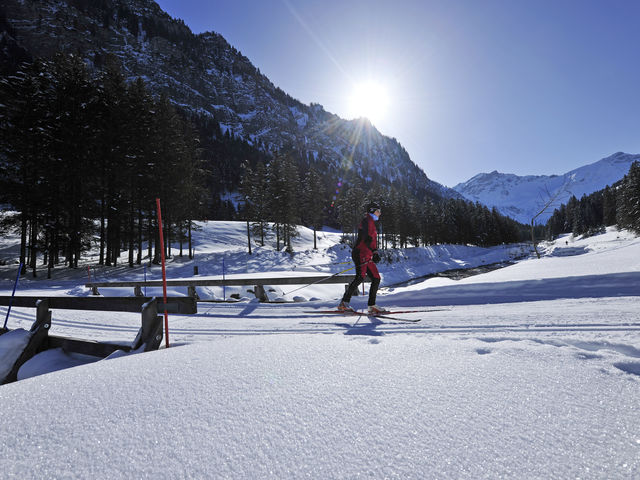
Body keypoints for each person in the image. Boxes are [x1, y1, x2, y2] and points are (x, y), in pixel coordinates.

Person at [338, 202, 388, 314]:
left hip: (367, 254)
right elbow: (366, 237)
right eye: (378, 211)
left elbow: (372, 241)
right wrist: (371, 248)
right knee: (360, 277)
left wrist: (374, 252)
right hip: (360, 253)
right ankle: (343, 303)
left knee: (376, 278)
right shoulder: (366, 221)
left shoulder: (372, 223)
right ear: (372, 211)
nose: (380, 214)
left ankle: (371, 306)